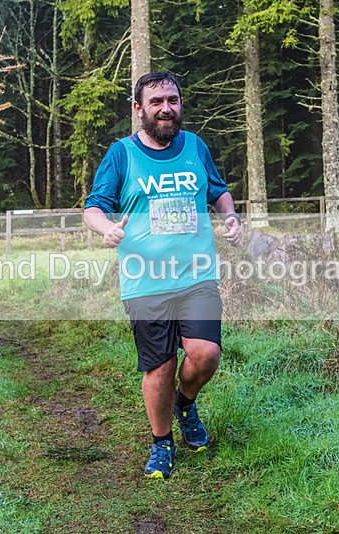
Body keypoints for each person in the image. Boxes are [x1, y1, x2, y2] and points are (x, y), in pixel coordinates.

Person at [84, 72, 242, 479]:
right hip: (145, 279)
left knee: (205, 353)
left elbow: (218, 190)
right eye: (156, 101)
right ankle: (161, 443)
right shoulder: (121, 154)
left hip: (196, 274)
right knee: (159, 366)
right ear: (139, 109)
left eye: (172, 99)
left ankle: (184, 403)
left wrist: (231, 216)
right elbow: (93, 208)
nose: (166, 108)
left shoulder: (195, 146)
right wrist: (107, 228)